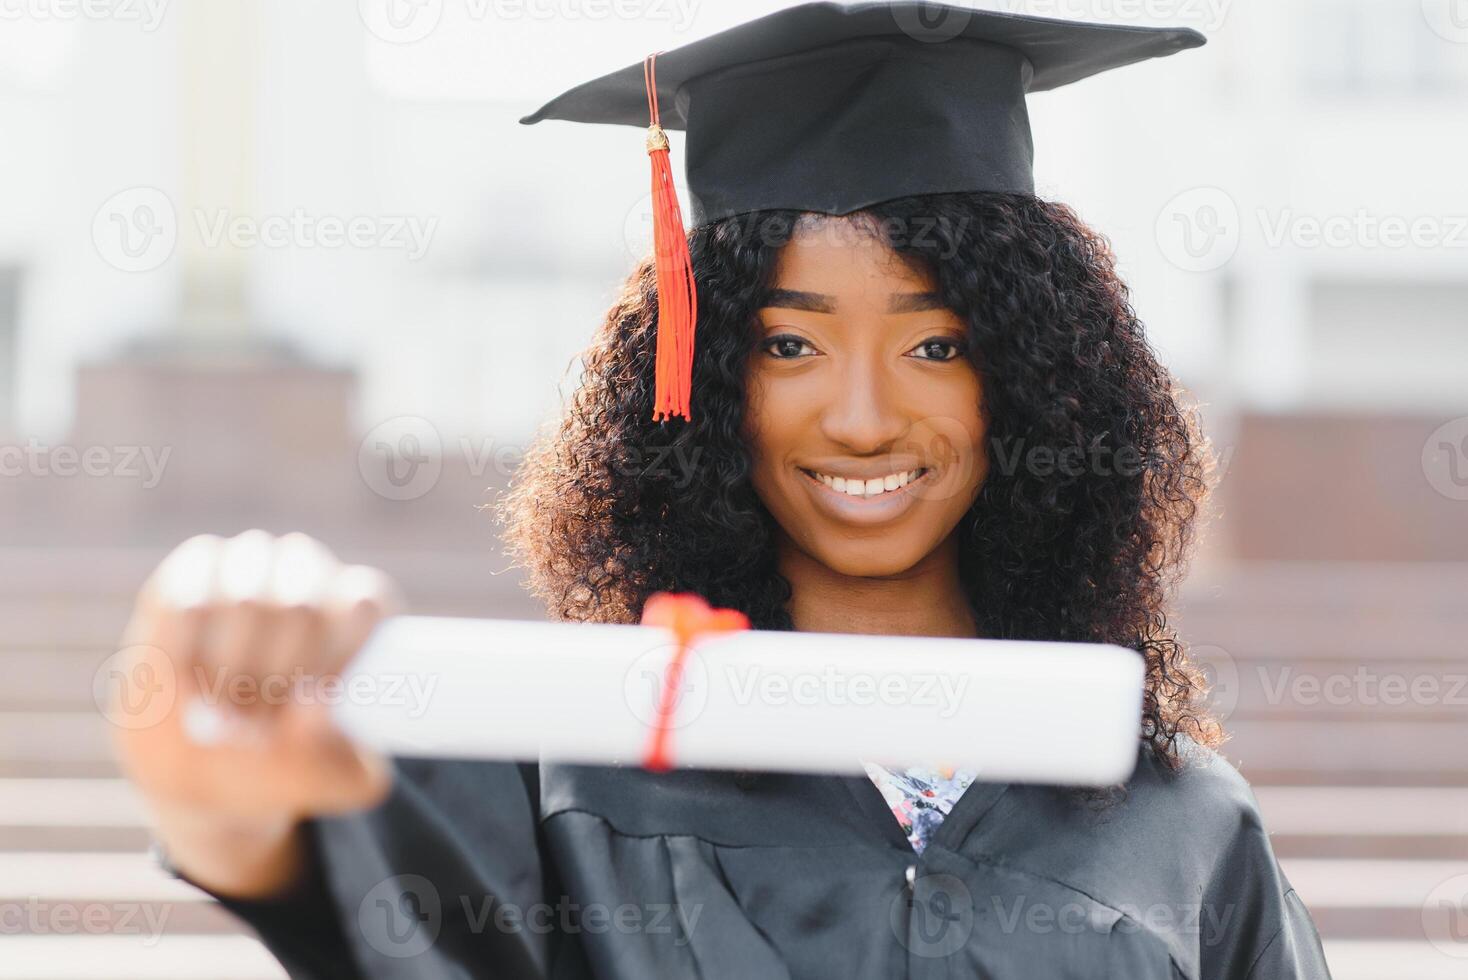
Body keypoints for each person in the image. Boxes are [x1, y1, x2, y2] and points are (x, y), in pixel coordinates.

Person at [110, 4, 1333, 978]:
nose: (859, 416)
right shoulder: (574, 780)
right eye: (788, 346)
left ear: (1032, 377)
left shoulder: (1182, 829)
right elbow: (298, 853)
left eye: (938, 343)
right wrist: (212, 776)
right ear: (699, 376)